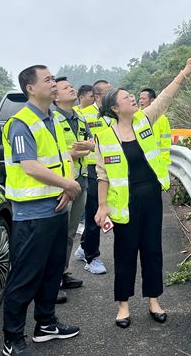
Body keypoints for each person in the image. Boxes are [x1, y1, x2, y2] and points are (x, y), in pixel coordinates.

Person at [94, 56, 191, 328]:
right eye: (127, 97)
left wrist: (183, 74)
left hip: (151, 196)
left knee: (152, 250)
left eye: (132, 96)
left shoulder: (144, 120)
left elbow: (164, 97)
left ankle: (154, 300)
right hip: (124, 203)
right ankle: (124, 305)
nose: (133, 99)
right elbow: (102, 175)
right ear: (115, 107)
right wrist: (102, 206)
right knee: (125, 252)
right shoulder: (103, 137)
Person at [1, 65, 82, 356]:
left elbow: (66, 155)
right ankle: (12, 338)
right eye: (47, 80)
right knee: (25, 276)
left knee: (51, 271)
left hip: (57, 207)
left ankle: (46, 324)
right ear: (31, 88)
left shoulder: (54, 118)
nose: (54, 83)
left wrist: (67, 185)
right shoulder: (21, 122)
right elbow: (30, 166)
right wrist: (69, 186)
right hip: (32, 214)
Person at [53, 77, 95, 290]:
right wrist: (76, 151)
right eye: (65, 87)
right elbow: (52, 154)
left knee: (70, 231)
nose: (71, 88)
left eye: (71, 86)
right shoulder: (52, 119)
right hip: (61, 182)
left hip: (81, 179)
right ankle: (51, 280)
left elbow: (92, 144)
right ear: (56, 96)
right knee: (57, 232)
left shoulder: (79, 117)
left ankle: (62, 272)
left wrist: (87, 147)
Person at [75, 79, 112, 275]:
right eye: (108, 92)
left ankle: (83, 247)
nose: (112, 95)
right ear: (97, 96)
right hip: (91, 169)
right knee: (93, 214)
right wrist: (94, 146)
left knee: (110, 210)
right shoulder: (82, 115)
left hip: (113, 169)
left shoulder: (114, 114)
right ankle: (92, 257)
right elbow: (80, 144)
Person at [138, 88, 172, 172]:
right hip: (140, 162)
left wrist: (164, 161)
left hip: (157, 162)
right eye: (140, 98)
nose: (140, 101)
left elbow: (165, 142)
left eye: (143, 99)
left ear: (152, 100)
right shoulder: (135, 117)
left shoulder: (162, 119)